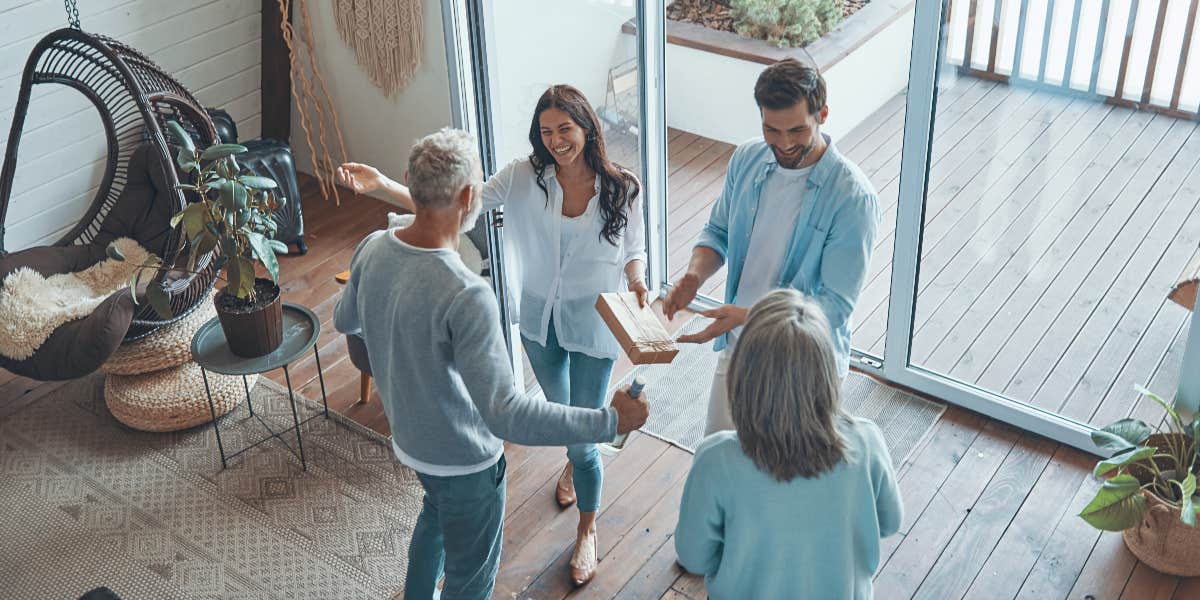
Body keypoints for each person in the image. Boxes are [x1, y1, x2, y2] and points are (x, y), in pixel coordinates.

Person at [336, 85, 647, 585]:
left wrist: (636, 280)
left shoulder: (623, 187)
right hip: (537, 327)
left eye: (564, 129)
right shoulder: (523, 180)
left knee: (580, 446)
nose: (555, 141)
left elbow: (635, 245)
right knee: (572, 426)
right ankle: (579, 453)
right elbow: (508, 414)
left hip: (592, 326)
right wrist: (381, 186)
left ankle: (587, 530)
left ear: (587, 127)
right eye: (546, 132)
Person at [663, 58, 881, 435]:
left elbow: (834, 307)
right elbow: (717, 231)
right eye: (771, 129)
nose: (783, 143)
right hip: (739, 347)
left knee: (783, 477)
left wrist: (748, 316)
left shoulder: (852, 197)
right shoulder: (747, 158)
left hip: (802, 365)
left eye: (797, 130)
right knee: (721, 454)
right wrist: (693, 277)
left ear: (823, 114)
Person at [674, 289, 902, 599]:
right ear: (826, 372)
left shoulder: (715, 460)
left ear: (743, 376)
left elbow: (694, 557)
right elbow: (889, 523)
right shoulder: (867, 441)